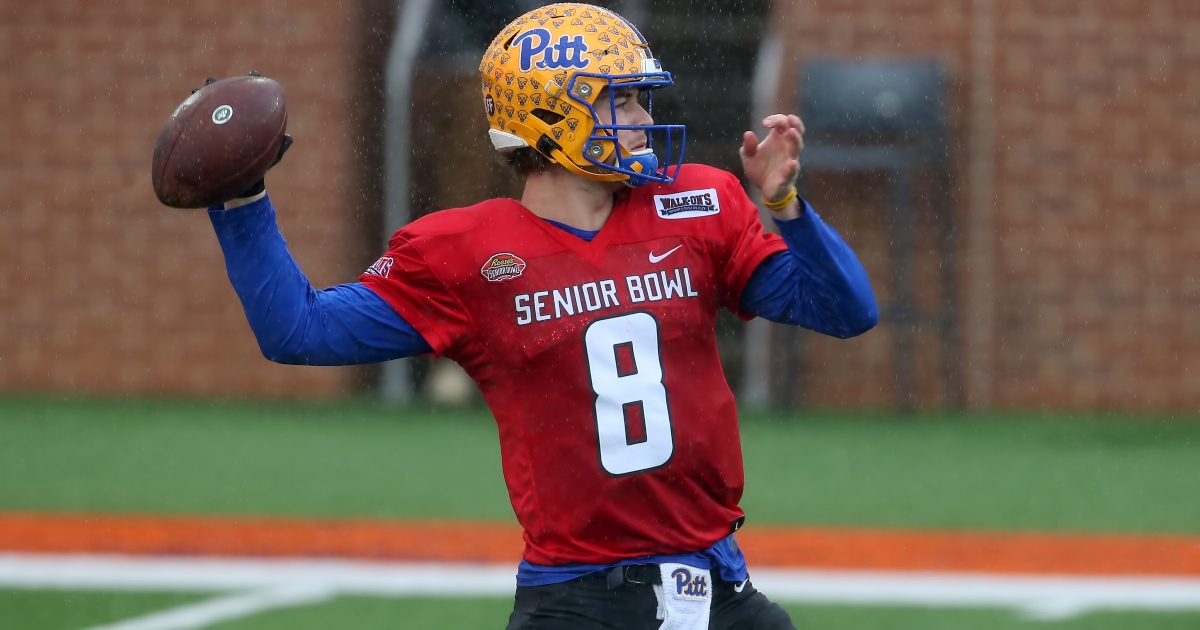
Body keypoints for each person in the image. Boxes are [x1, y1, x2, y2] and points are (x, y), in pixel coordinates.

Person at [207, 4, 877, 628]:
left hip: (719, 584)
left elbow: (846, 311)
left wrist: (787, 206)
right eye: (622, 100)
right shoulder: (464, 254)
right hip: (579, 597)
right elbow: (300, 331)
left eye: (642, 99)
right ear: (551, 119)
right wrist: (242, 202)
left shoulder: (696, 203)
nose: (643, 120)